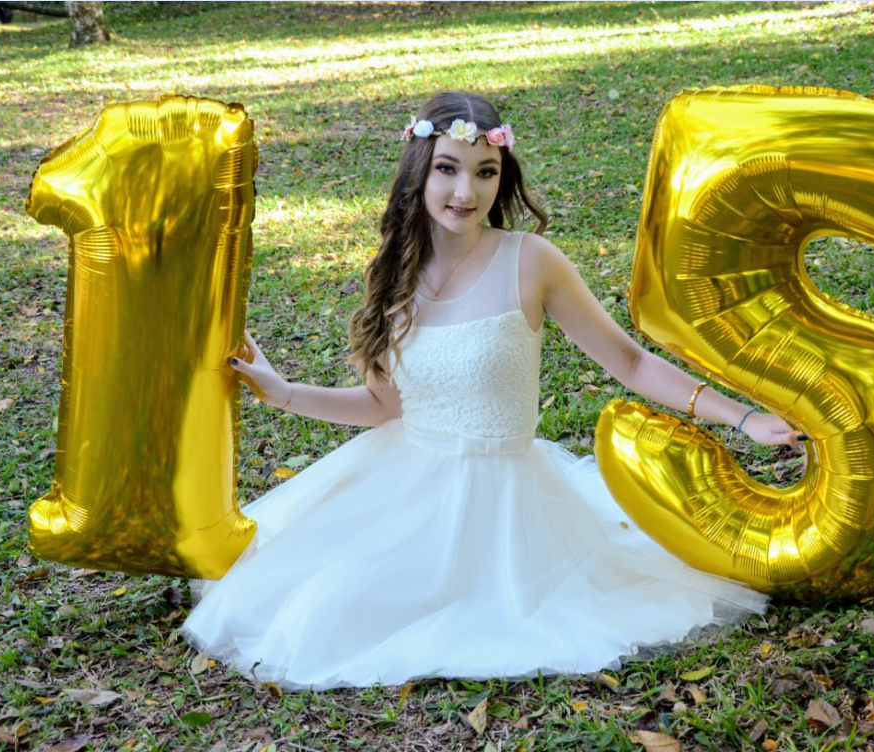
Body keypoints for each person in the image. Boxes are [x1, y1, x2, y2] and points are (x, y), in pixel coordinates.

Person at [181, 91, 805, 691]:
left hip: (509, 501)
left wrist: (742, 418)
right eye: (448, 170)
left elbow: (631, 362)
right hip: (405, 485)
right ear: (418, 173)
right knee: (319, 603)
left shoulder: (530, 261)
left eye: (485, 173)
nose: (465, 192)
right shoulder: (392, 270)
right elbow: (382, 406)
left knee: (507, 615)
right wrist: (284, 391)